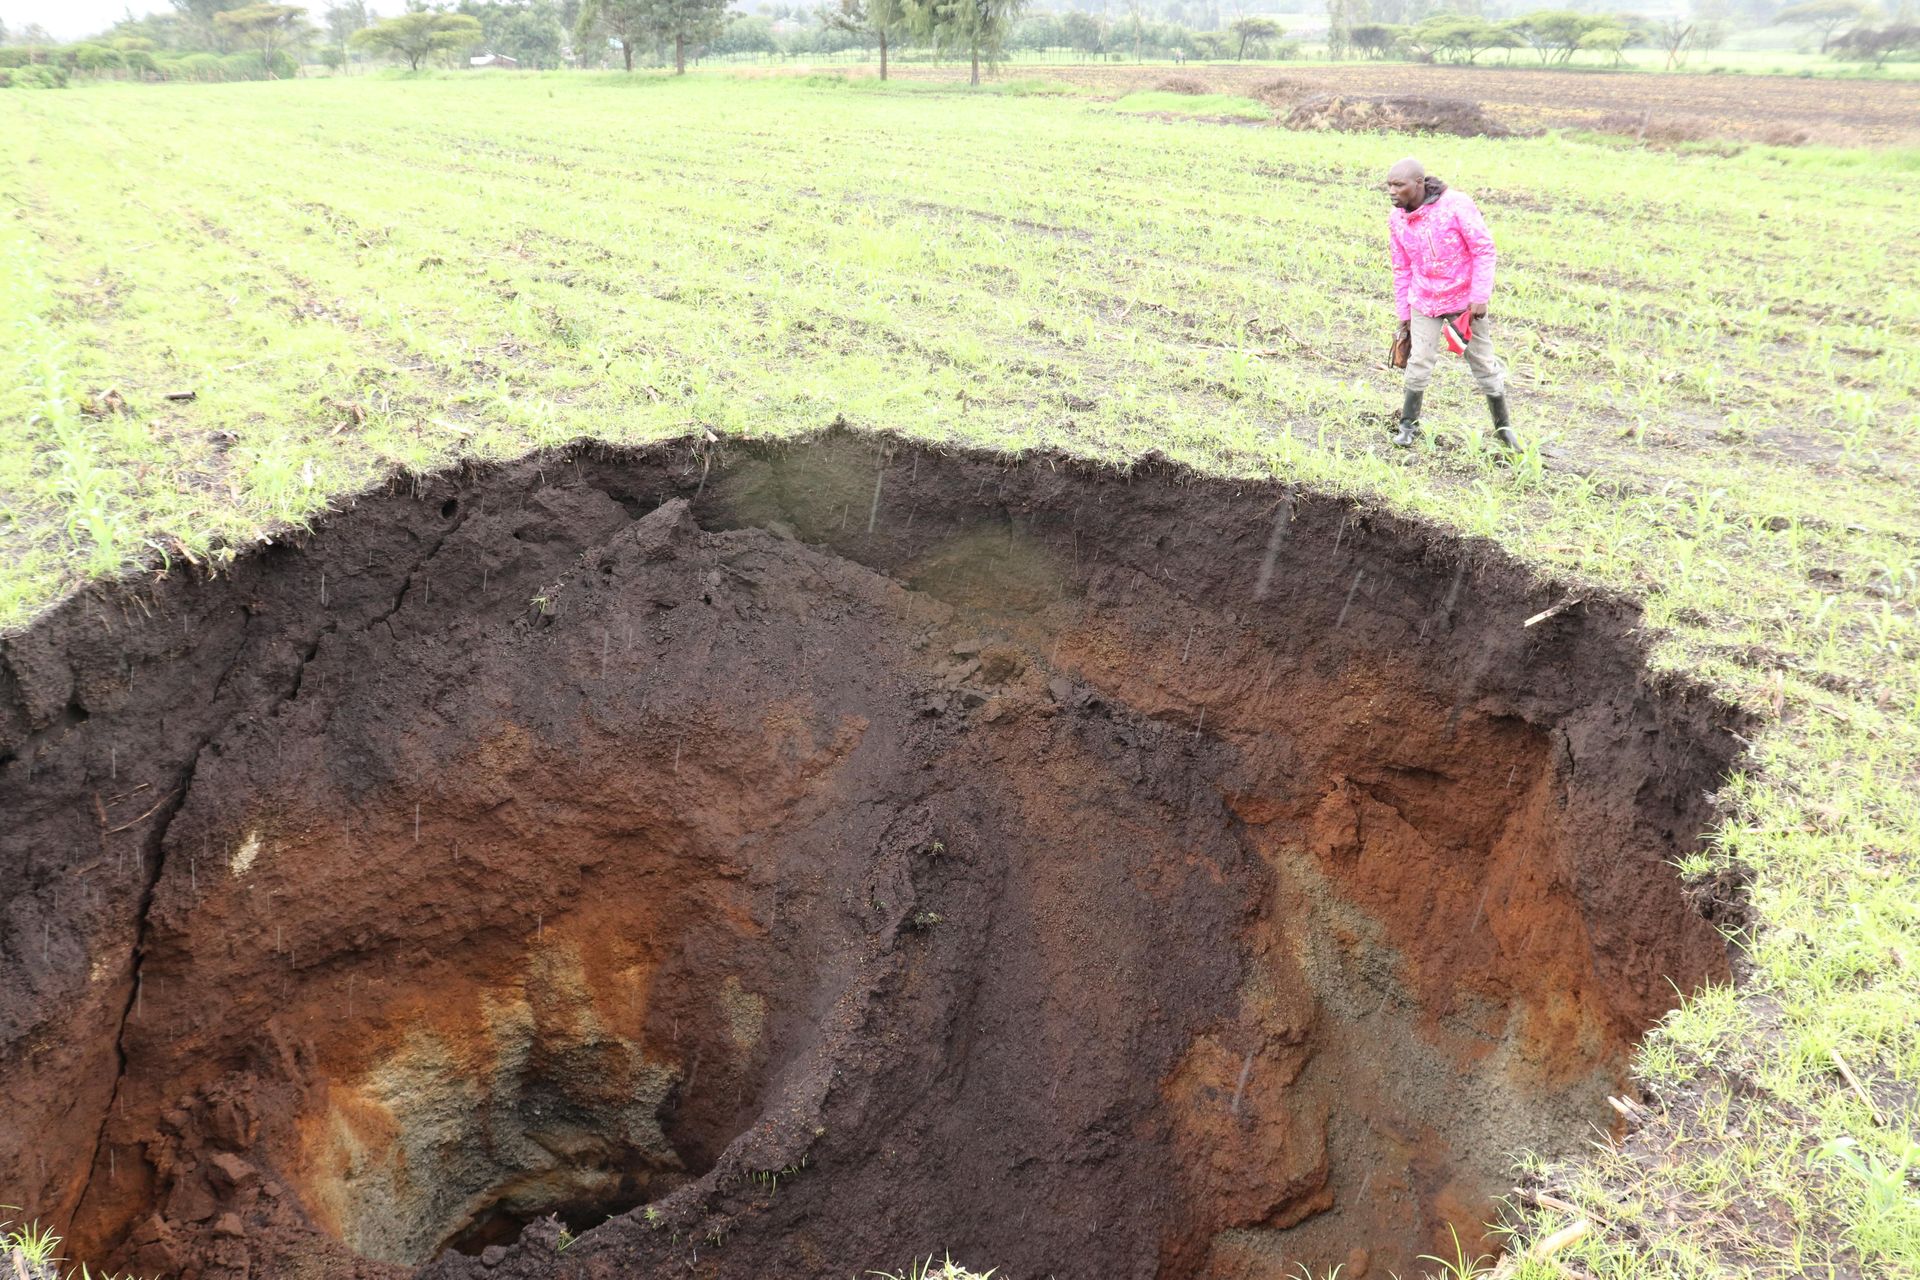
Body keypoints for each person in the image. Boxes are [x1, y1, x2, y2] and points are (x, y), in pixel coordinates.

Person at [1386, 158, 1518, 451]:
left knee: (1482, 361)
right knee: (1419, 360)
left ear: (1418, 183)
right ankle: (1408, 425)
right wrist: (1404, 314)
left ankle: (1504, 429)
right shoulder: (1396, 219)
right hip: (1424, 299)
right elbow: (1401, 267)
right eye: (1389, 185)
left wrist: (1479, 296)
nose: (1392, 191)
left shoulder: (1455, 205)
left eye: (1399, 185)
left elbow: (1483, 249)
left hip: (1463, 303)